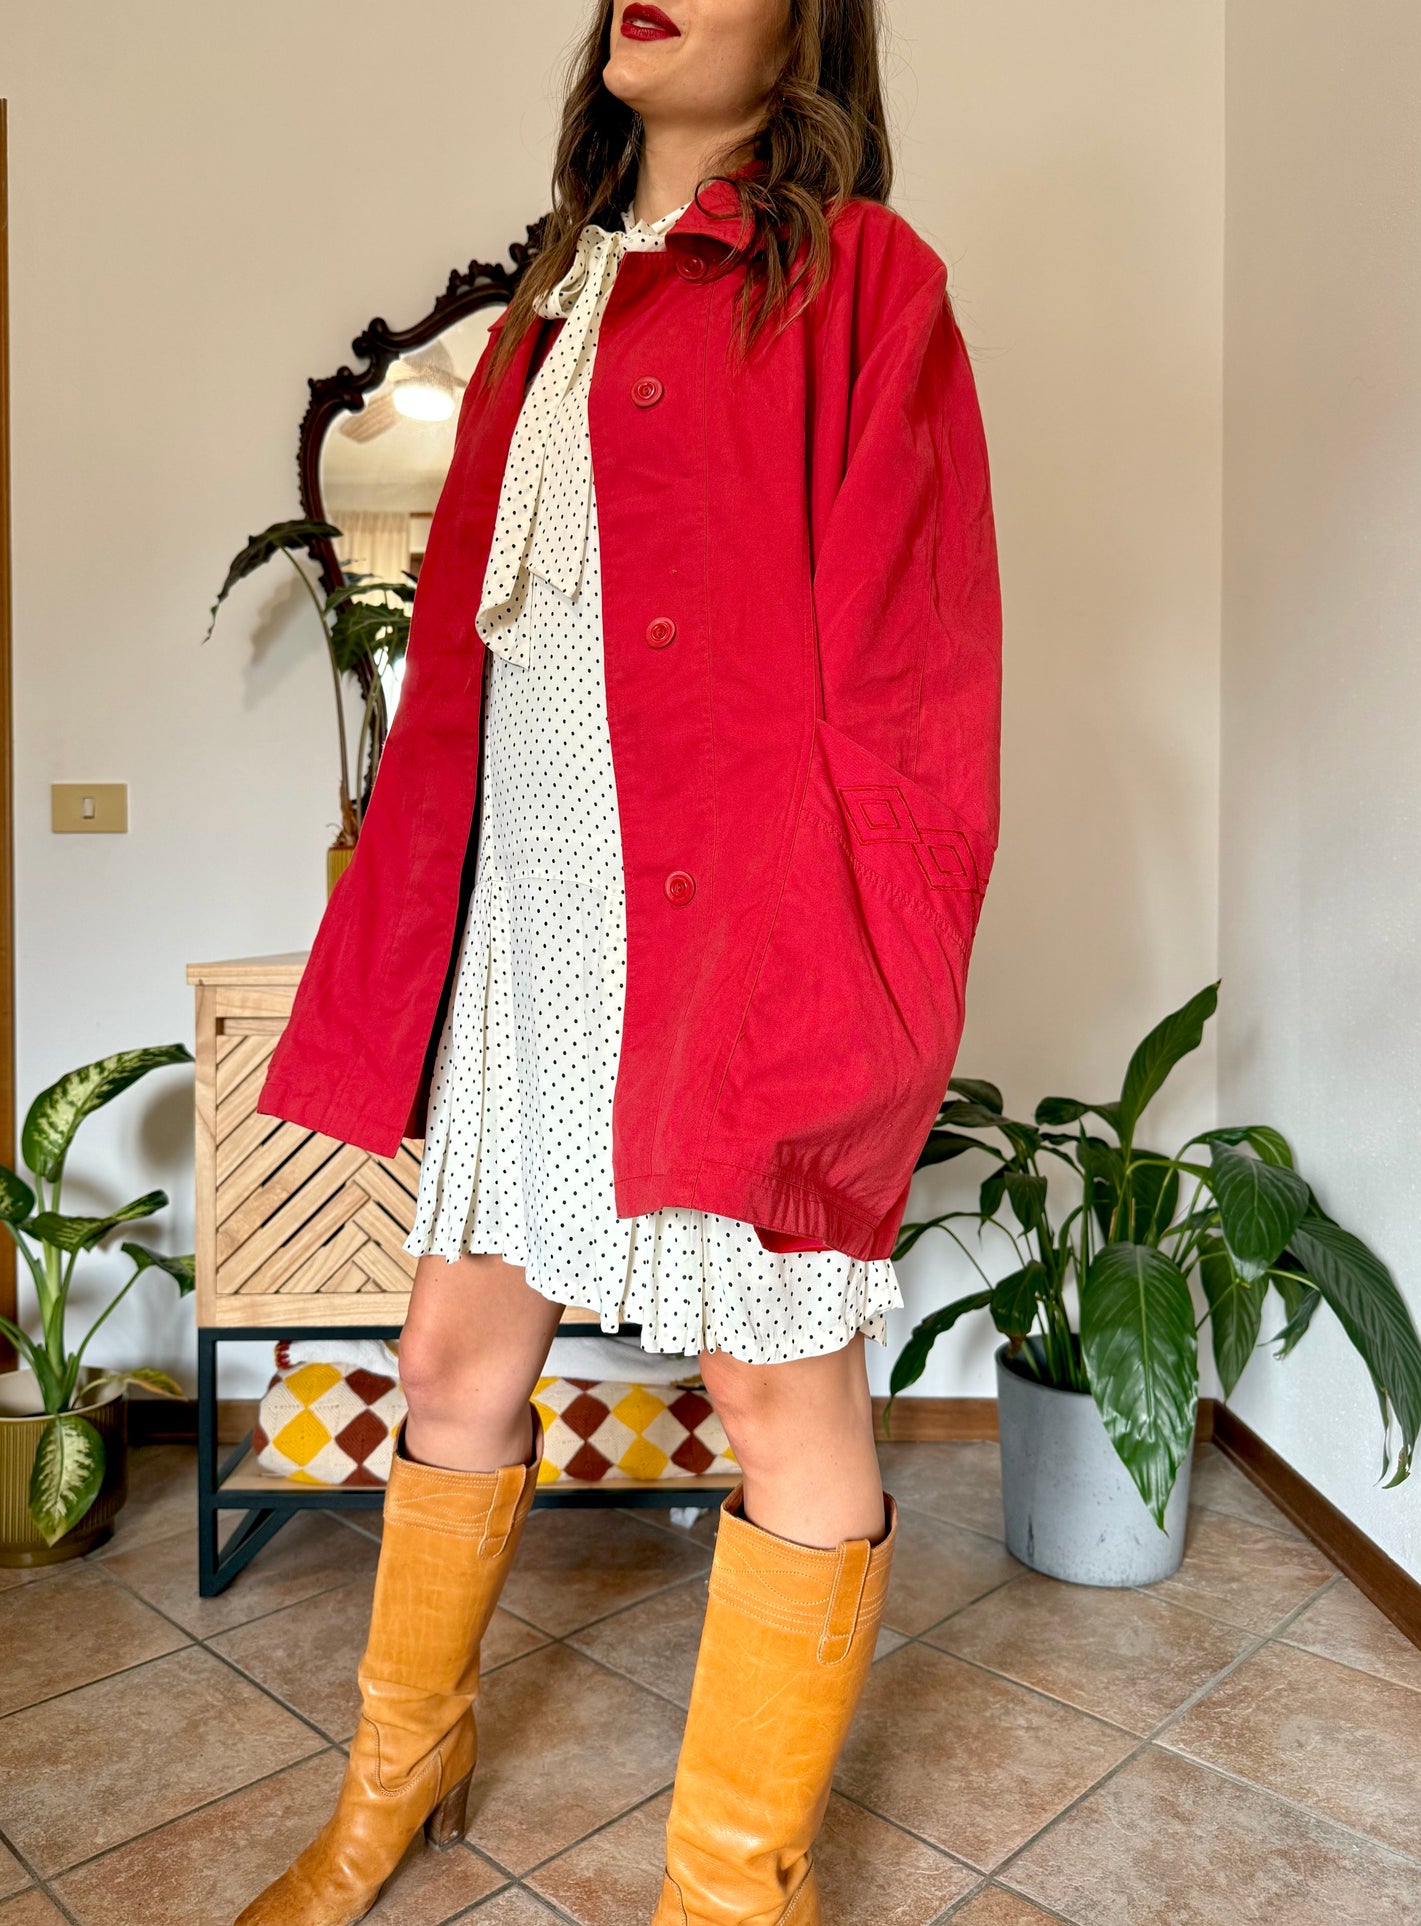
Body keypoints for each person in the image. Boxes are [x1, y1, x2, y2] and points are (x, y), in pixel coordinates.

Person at [237, 0, 1001, 1920]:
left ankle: (735, 1887)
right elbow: (474, 678)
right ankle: (397, 1779)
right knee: (445, 1358)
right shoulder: (547, 309)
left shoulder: (863, 281)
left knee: (775, 1394)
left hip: (737, 926)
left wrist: (868, 971)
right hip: (535, 920)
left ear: (807, 26)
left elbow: (909, 680)